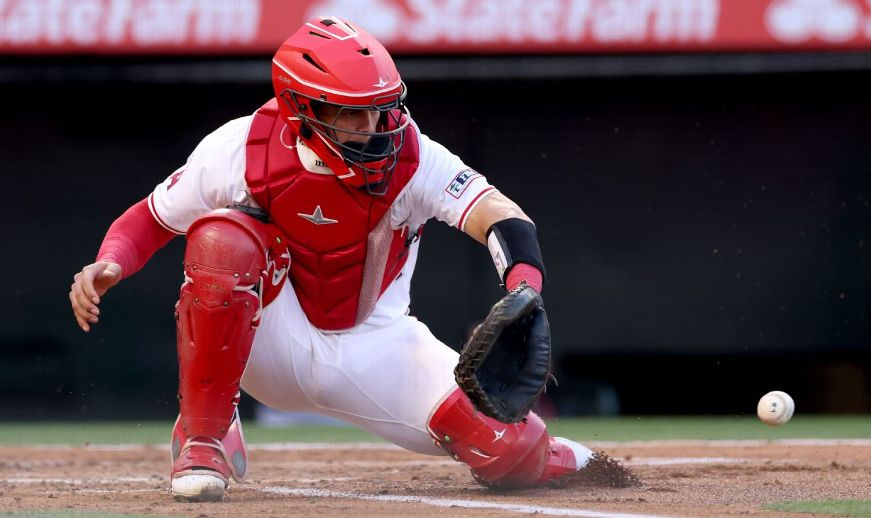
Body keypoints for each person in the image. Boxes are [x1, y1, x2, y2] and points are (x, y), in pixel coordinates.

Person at [68, 17, 593, 502]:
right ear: (303, 109)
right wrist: (110, 260)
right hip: (269, 337)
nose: (376, 125)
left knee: (512, 453)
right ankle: (204, 433)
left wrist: (524, 287)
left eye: (383, 107)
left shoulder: (412, 153)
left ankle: (557, 451)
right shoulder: (242, 147)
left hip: (374, 344)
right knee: (223, 238)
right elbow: (152, 218)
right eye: (354, 112)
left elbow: (501, 216)